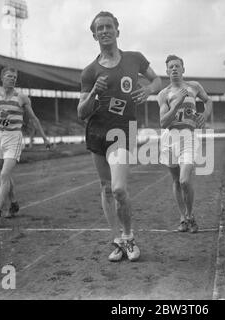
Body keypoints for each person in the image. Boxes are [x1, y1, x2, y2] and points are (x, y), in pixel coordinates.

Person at [77, 11, 162, 262]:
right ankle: (117, 241)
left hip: (124, 131)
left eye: (108, 26)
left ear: (117, 30)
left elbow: (157, 80)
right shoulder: (89, 71)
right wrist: (94, 91)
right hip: (96, 132)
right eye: (99, 28)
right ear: (94, 35)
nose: (104, 31)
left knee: (119, 189)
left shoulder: (135, 59)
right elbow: (82, 112)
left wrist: (147, 90)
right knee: (105, 188)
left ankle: (128, 236)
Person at [0, 67, 50, 224]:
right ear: (2, 78)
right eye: (9, 76)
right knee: (5, 175)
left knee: (4, 176)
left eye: (15, 77)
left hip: (14, 137)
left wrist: (44, 138)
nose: (13, 79)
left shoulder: (21, 97)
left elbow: (34, 119)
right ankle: (14, 203)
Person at [157, 55, 213, 233]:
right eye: (171, 67)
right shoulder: (163, 94)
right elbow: (163, 123)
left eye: (177, 66)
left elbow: (208, 101)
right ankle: (183, 218)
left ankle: (190, 215)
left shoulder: (194, 87)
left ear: (183, 69)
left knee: (185, 180)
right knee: (176, 180)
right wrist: (176, 104)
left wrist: (205, 115)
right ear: (167, 71)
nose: (174, 69)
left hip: (188, 137)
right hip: (170, 139)